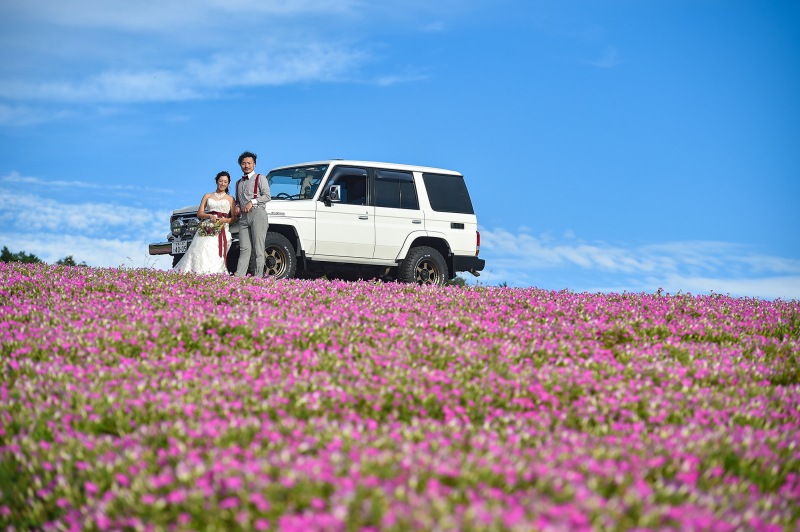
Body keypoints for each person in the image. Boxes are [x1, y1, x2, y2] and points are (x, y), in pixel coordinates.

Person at [173, 172, 237, 274]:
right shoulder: (207, 196)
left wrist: (223, 220)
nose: (223, 184)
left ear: (228, 184)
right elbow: (200, 213)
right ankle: (197, 272)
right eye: (221, 181)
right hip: (207, 226)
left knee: (213, 248)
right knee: (201, 246)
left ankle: (213, 273)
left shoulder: (230, 199)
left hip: (222, 228)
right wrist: (209, 216)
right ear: (216, 181)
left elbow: (234, 218)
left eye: (225, 182)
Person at [233, 151, 271, 278]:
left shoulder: (261, 178)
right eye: (244, 163)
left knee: (258, 248)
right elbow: (238, 200)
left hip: (258, 213)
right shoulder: (238, 183)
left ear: (254, 164)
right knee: (244, 248)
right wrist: (238, 206)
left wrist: (252, 202)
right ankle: (239, 277)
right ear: (240, 165)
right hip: (244, 218)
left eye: (249, 163)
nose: (246, 165)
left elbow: (267, 196)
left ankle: (258, 277)